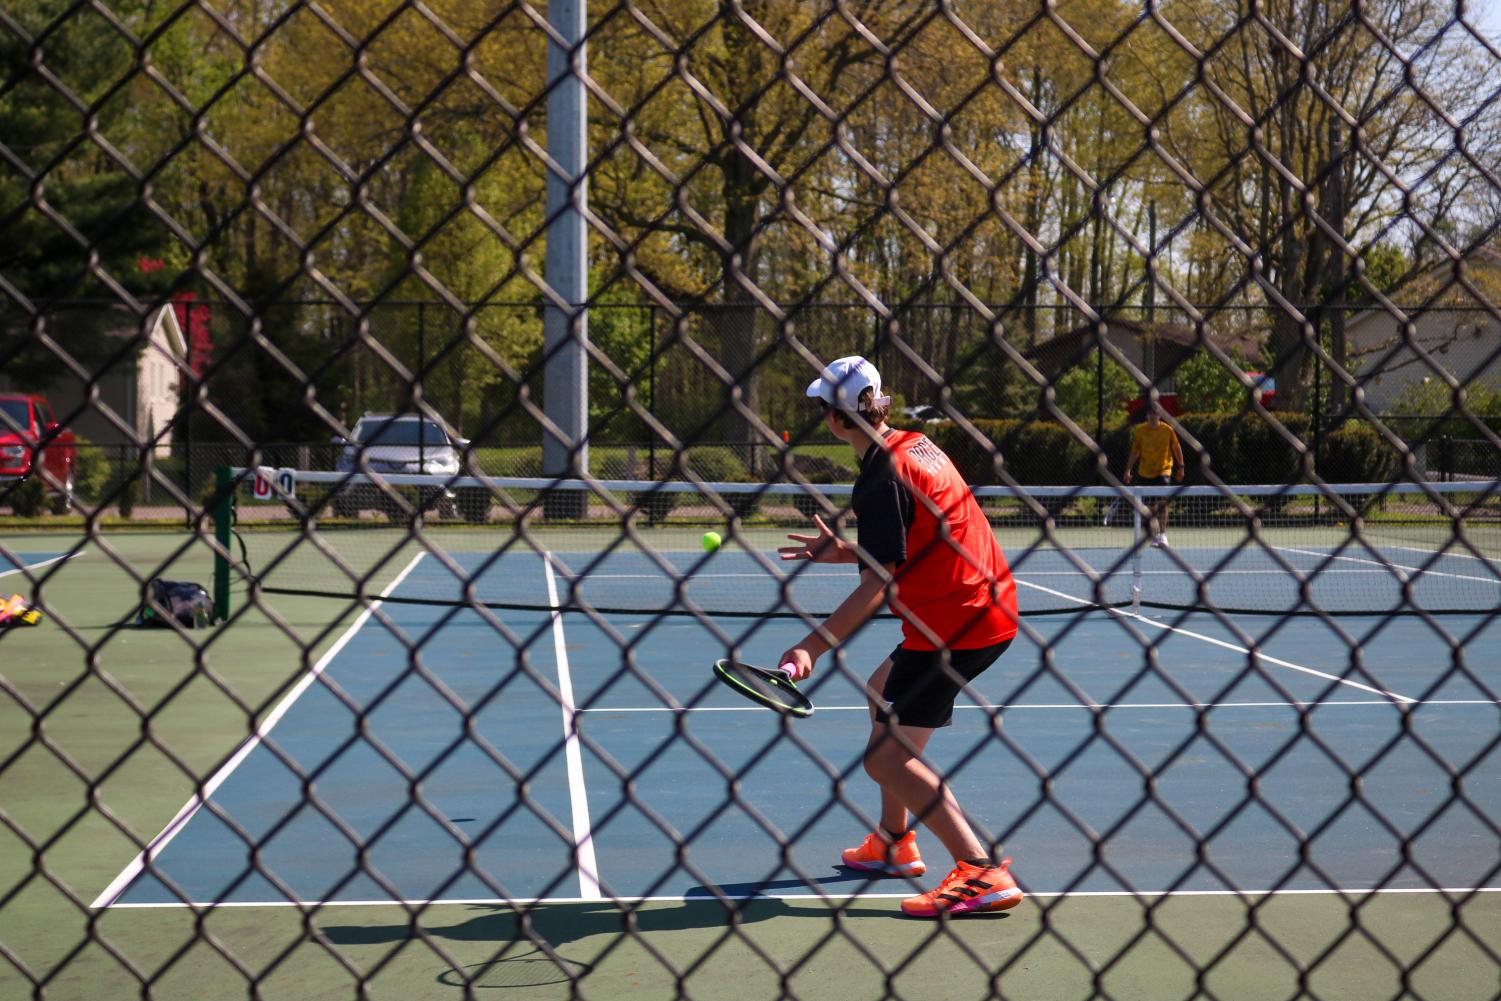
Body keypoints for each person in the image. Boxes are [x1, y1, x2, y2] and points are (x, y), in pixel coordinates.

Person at [777, 356, 1023, 918]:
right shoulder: (914, 444)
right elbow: (914, 541)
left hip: (957, 622)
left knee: (886, 760)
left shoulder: (880, 474)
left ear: (835, 419)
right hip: (976, 606)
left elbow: (879, 582)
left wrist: (809, 648)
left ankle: (979, 871)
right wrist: (843, 550)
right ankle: (894, 841)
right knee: (878, 688)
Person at [1124, 405, 1185, 547]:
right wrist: (1128, 470)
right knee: (1151, 508)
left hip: (1163, 471)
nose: (1153, 416)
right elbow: (1135, 452)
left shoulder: (1167, 430)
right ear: (1146, 416)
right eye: (1150, 414)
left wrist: (1181, 467)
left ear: (1160, 416)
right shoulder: (1140, 431)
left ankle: (1162, 535)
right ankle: (1156, 534)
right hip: (1145, 472)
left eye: (1155, 414)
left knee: (1162, 504)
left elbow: (1176, 448)